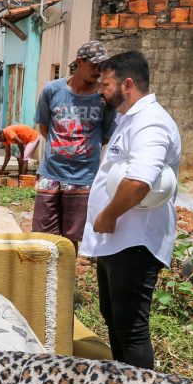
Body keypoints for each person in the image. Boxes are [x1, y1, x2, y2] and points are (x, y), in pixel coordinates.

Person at [80, 51, 182, 370]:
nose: (100, 90)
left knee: (131, 329)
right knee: (114, 318)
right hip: (119, 241)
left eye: (106, 83)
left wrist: (107, 215)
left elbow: (140, 181)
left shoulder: (151, 122)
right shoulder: (131, 119)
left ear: (127, 84)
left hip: (134, 242)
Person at [32, 40, 115, 252]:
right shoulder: (52, 90)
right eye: (95, 66)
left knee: (71, 242)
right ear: (79, 62)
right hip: (51, 174)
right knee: (43, 239)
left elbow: (106, 135)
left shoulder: (103, 98)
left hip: (83, 178)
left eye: (102, 67)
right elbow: (44, 127)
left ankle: (64, 282)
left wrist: (81, 150)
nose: (99, 72)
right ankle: (45, 282)